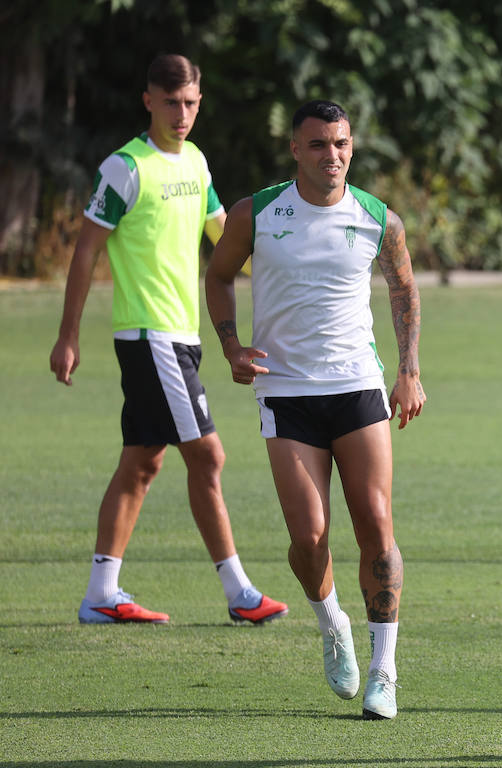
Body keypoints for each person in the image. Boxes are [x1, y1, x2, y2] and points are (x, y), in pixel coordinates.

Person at [204, 100, 425, 720]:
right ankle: (332, 622)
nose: (334, 155)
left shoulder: (379, 218)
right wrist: (230, 346)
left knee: (376, 526)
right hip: (285, 390)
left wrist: (408, 370)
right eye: (320, 144)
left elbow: (404, 287)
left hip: (358, 385)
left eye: (343, 144)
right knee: (309, 537)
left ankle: (385, 667)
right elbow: (218, 276)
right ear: (296, 150)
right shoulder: (256, 213)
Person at [49, 53, 286, 626]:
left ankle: (101, 592)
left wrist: (283, 266)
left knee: (142, 463)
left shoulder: (199, 163)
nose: (182, 114)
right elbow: (86, 250)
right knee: (208, 455)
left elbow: (221, 235)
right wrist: (67, 335)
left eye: (191, 103)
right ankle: (240, 593)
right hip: (148, 333)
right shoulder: (125, 167)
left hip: (183, 334)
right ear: (148, 100)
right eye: (172, 102)